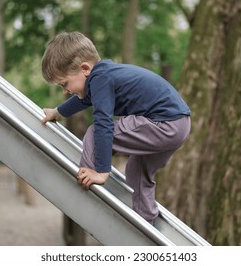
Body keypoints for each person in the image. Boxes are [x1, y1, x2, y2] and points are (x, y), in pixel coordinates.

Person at [40, 31, 191, 225]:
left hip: (164, 123)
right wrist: (57, 113)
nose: (65, 91)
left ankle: (88, 177)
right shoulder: (103, 75)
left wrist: (102, 171)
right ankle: (145, 223)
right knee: (138, 171)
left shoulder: (100, 78)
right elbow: (83, 100)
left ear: (85, 68)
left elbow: (104, 121)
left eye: (64, 84)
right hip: (179, 125)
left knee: (95, 134)